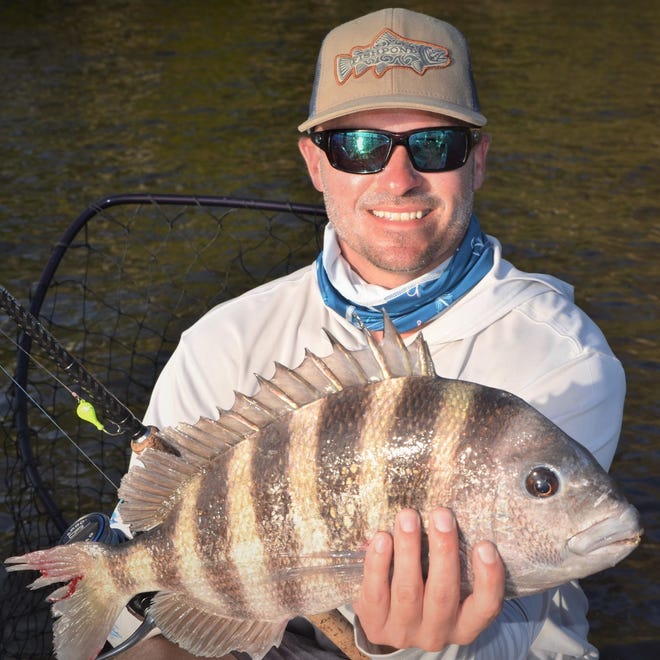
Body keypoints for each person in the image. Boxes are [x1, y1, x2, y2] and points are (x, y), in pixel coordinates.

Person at [109, 8, 625, 659]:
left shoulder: (560, 358)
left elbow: (521, 617)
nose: (399, 177)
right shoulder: (223, 341)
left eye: (436, 145)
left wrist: (394, 645)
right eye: (359, 146)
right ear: (315, 164)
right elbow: (144, 550)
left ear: (479, 160)